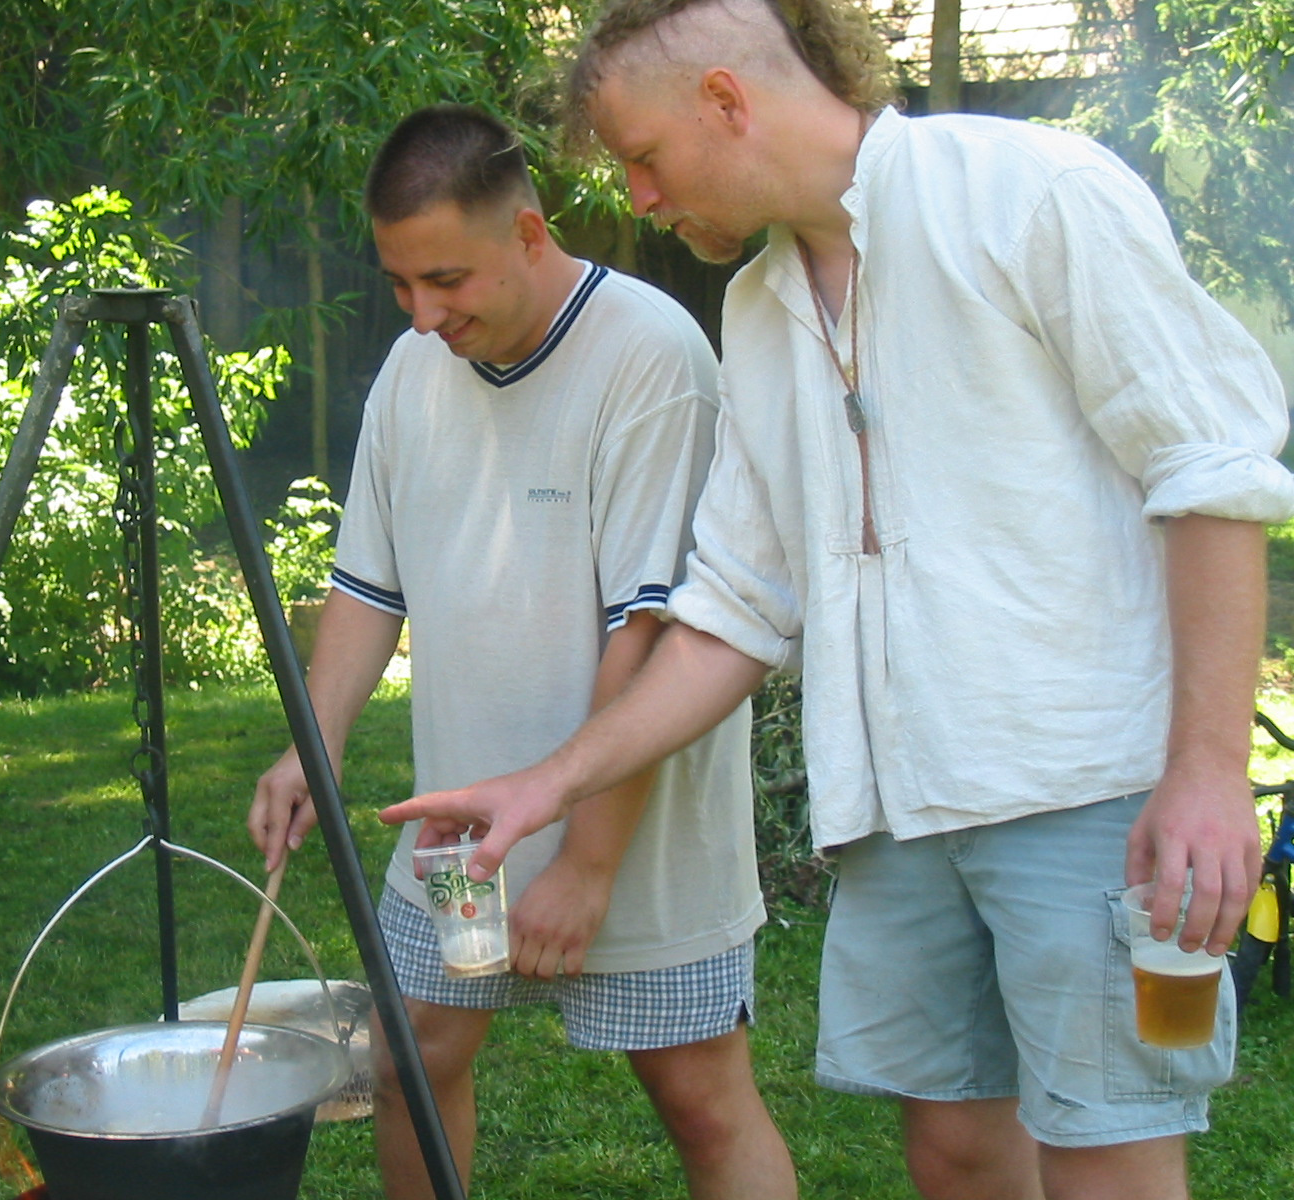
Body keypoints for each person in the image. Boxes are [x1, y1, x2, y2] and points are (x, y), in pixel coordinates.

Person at [379, 5, 1294, 1199]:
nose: (640, 200)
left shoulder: (1026, 191)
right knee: (956, 1155)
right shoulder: (759, 313)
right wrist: (545, 784)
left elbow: (1210, 472)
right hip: (898, 811)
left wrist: (1208, 773)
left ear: (725, 100)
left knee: (1109, 1161)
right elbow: (734, 610)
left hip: (1088, 795)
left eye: (643, 159)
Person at [248, 104, 796, 1200]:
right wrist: (316, 741)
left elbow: (649, 636)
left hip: (638, 831)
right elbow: (365, 590)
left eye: (445, 278)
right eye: (401, 283)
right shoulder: (413, 372)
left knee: (700, 1100)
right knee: (413, 1066)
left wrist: (586, 867)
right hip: (461, 833)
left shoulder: (651, 358)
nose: (420, 313)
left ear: (530, 234)